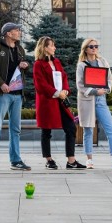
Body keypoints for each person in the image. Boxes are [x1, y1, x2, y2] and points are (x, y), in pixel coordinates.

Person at [76, 38, 112, 170]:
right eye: (91, 46)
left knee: (111, 129)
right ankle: (89, 159)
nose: (94, 48)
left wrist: (106, 89)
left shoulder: (102, 61)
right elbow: (80, 85)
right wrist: (95, 91)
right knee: (88, 130)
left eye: (96, 46)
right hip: (87, 100)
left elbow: (109, 78)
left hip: (101, 101)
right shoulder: (81, 65)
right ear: (85, 49)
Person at [33, 36, 86, 170]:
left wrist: (66, 91)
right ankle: (49, 159)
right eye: (52, 45)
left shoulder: (56, 62)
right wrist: (57, 93)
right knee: (46, 131)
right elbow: (40, 85)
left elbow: (64, 77)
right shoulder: (38, 64)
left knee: (71, 128)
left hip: (60, 101)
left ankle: (71, 160)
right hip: (47, 101)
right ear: (45, 48)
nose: (54, 47)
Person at [0, 22, 31, 172]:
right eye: (16, 30)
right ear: (9, 33)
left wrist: (25, 65)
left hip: (17, 94)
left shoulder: (20, 49)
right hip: (2, 94)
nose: (19, 33)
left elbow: (23, 70)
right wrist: (0, 83)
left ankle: (15, 160)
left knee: (15, 128)